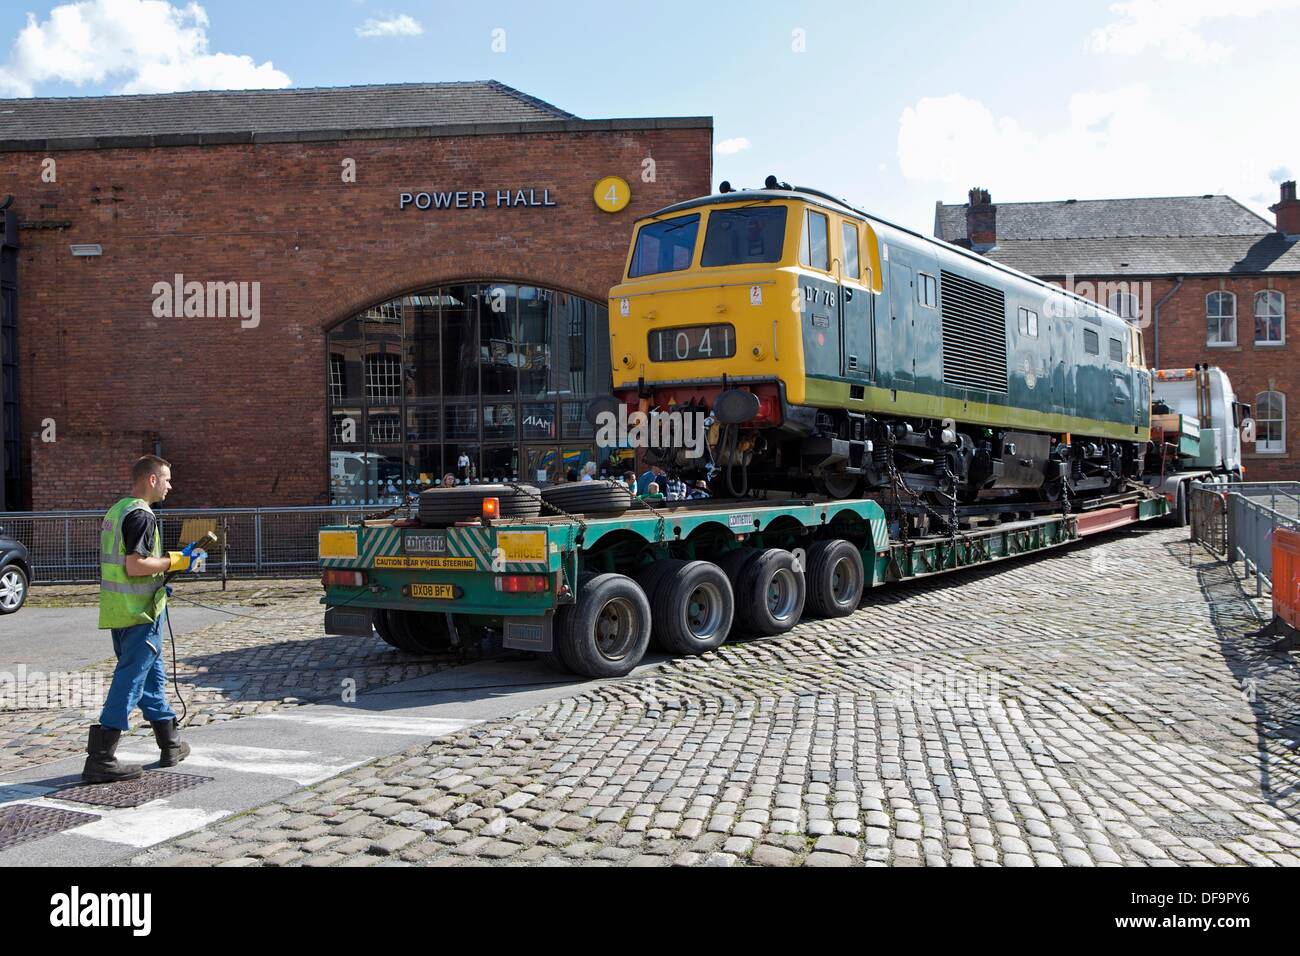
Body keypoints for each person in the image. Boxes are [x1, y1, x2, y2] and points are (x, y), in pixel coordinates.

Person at [83, 455, 202, 783]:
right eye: (166, 479)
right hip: (140, 613)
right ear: (151, 480)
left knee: (152, 678)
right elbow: (135, 566)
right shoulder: (141, 515)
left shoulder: (116, 510)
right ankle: (100, 757)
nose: (170, 485)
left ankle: (170, 743)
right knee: (131, 679)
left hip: (122, 610)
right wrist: (175, 562)